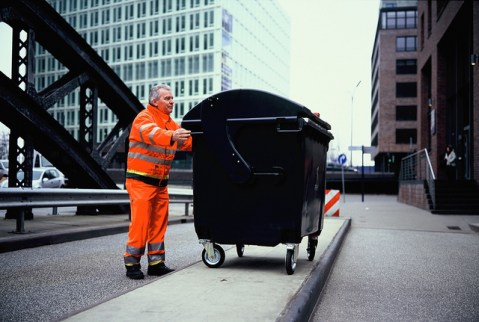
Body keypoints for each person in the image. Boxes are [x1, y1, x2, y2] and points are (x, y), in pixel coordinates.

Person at [123, 84, 192, 279]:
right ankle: (132, 263)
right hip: (141, 182)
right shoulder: (144, 117)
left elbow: (187, 141)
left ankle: (156, 263)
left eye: (172, 98)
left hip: (160, 184)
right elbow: (152, 134)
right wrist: (172, 136)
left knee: (159, 224)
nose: (172, 101)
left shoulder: (171, 124)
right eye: (167, 98)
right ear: (155, 101)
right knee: (141, 224)